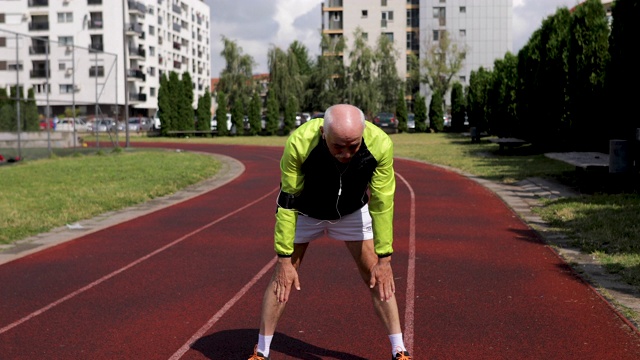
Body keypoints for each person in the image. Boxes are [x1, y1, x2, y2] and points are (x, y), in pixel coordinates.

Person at [248, 104, 411, 360]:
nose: (346, 154)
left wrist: (385, 258)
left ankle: (399, 350)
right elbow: (287, 200)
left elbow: (382, 202)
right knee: (283, 277)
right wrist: (282, 258)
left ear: (364, 133)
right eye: (339, 147)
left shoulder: (380, 144)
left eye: (353, 146)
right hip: (305, 212)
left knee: (378, 276)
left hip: (351, 212)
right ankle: (262, 352)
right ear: (323, 132)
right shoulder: (301, 142)